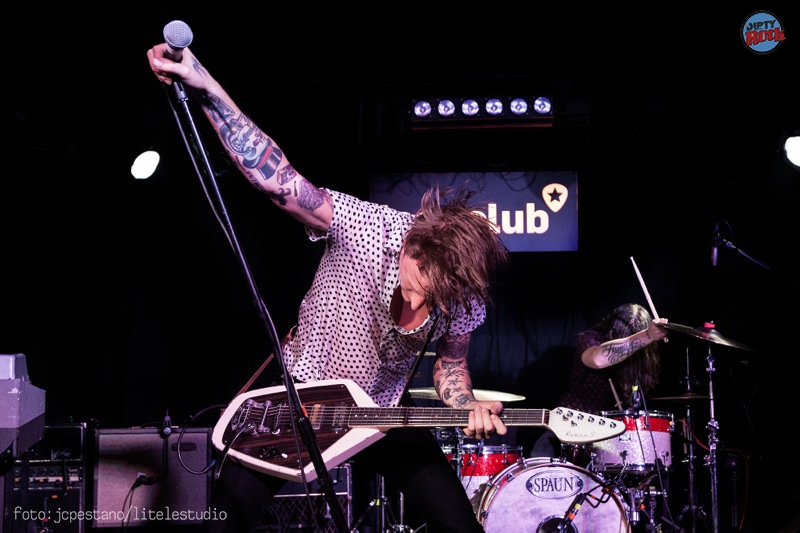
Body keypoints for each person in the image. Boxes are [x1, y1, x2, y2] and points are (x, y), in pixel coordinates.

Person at [147, 41, 509, 533]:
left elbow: (451, 367)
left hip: (381, 413)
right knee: (222, 523)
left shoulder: (462, 299)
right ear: (412, 247)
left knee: (460, 526)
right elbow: (276, 178)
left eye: (435, 298)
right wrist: (205, 84)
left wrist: (466, 406)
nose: (420, 302)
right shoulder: (369, 228)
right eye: (419, 285)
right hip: (301, 400)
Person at [530, 302, 668, 460]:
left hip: (608, 438)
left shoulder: (643, 360)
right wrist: (646, 335)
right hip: (570, 426)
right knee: (541, 464)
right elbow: (597, 360)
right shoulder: (592, 339)